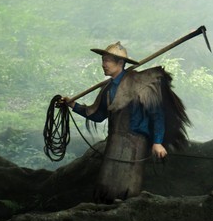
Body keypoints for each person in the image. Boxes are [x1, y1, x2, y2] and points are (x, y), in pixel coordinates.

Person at [60, 41, 189, 202]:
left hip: (135, 144)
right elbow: (98, 115)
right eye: (103, 60)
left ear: (120, 63)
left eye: (107, 60)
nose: (103, 64)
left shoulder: (140, 84)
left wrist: (157, 142)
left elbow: (157, 115)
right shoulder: (107, 89)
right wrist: (73, 105)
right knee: (105, 186)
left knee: (128, 188)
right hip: (113, 143)